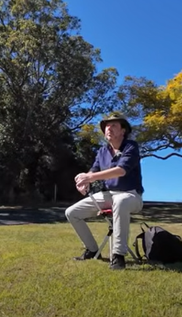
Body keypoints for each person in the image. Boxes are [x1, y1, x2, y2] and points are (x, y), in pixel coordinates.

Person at [65, 113, 143, 270]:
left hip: (131, 195)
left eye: (114, 125)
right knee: (71, 212)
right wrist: (83, 183)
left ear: (123, 131)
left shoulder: (131, 146)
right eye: (107, 126)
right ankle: (92, 249)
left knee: (120, 201)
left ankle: (118, 256)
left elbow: (121, 171)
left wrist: (90, 177)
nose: (109, 129)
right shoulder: (102, 151)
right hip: (108, 195)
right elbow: (93, 170)